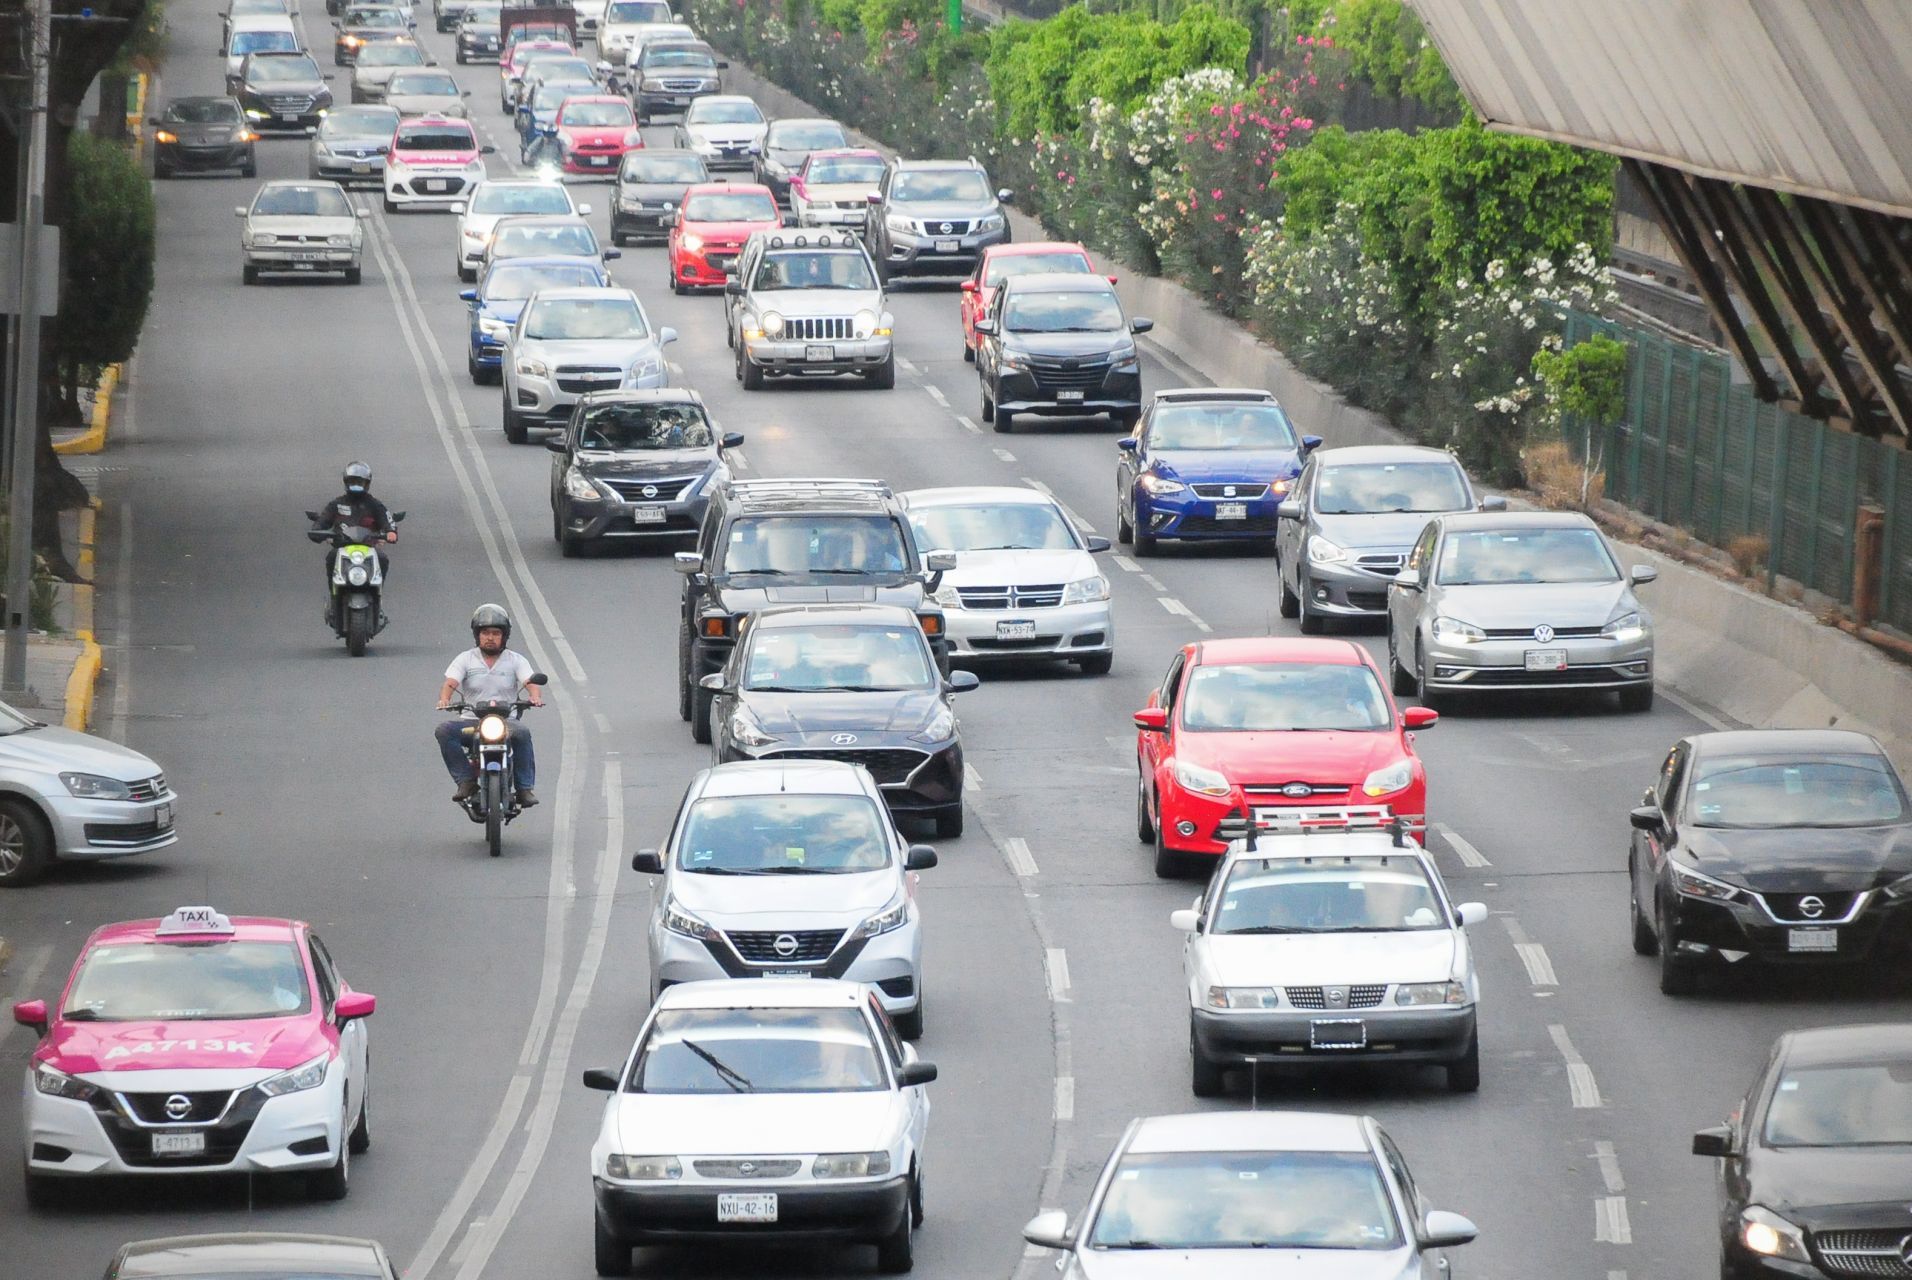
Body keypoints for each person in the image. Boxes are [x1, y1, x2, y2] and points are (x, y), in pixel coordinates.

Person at [435, 604, 544, 807]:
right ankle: (466, 781)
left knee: (523, 734)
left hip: (506, 724)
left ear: (504, 636)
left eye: (495, 633)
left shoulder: (515, 660)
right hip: (471, 724)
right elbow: (450, 683)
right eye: (485, 633)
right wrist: (445, 699)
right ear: (478, 635)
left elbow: (530, 682)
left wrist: (534, 697)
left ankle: (524, 789)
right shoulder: (465, 659)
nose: (490, 638)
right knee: (444, 731)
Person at [310, 461, 397, 585]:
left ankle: (378, 591)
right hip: (342, 548)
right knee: (331, 557)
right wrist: (317, 531)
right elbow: (323, 520)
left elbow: (387, 521)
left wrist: (391, 531)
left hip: (368, 548)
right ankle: (334, 593)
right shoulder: (337, 504)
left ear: (367, 483)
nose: (356, 485)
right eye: (353, 482)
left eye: (360, 482)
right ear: (346, 482)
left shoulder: (374, 505)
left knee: (382, 559)